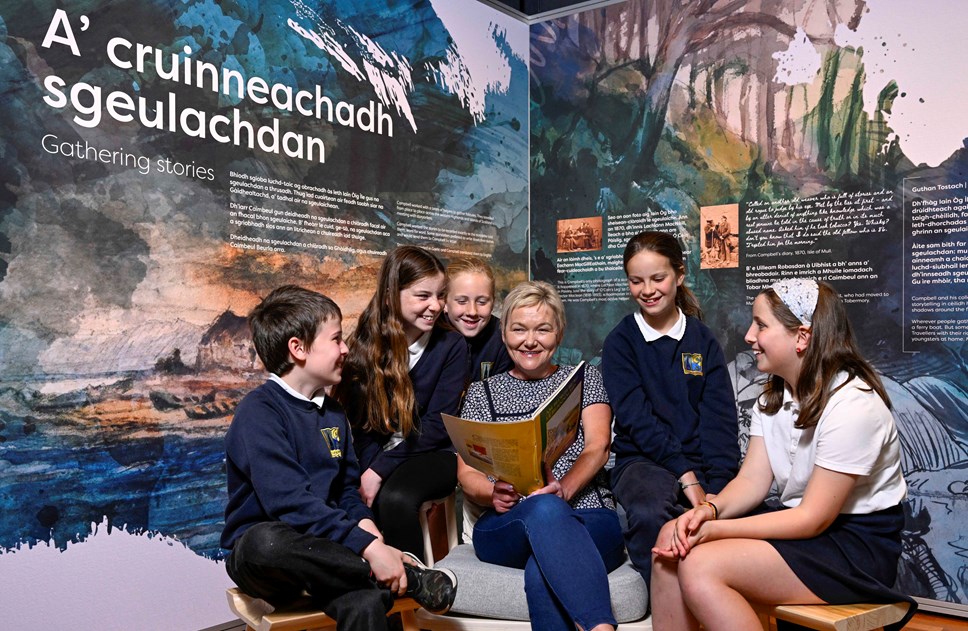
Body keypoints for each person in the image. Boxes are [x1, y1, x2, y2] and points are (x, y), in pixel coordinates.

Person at [650, 279, 915, 631]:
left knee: (701, 565)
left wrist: (716, 531)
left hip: (853, 547)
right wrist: (707, 512)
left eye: (760, 325)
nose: (748, 335)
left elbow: (812, 519)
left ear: (802, 337)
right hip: (803, 531)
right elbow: (751, 481)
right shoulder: (773, 397)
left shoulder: (852, 404)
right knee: (672, 537)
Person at [221, 285, 457, 631]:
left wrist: (370, 533)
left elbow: (347, 492)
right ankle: (404, 573)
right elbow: (290, 503)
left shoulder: (333, 413)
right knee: (263, 542)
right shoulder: (259, 411)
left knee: (365, 601)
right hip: (275, 561)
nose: (346, 349)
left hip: (330, 557)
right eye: (336, 339)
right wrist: (374, 552)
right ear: (297, 349)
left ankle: (372, 579)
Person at [458, 281, 625, 631]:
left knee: (544, 565)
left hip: (589, 516)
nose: (530, 341)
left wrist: (563, 488)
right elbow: (466, 474)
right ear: (504, 333)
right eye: (519, 329)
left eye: (542, 329)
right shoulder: (480, 393)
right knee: (544, 508)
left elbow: (598, 446)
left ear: (559, 333)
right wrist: (492, 493)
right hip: (507, 526)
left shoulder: (584, 379)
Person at [601, 231, 739, 590]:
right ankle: (664, 605)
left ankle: (708, 602)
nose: (647, 289)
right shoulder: (621, 342)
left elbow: (720, 422)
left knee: (736, 516)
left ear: (679, 275)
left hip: (700, 462)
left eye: (658, 278)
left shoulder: (703, 339)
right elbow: (637, 420)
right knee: (650, 512)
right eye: (636, 280)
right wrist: (685, 475)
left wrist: (717, 493)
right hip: (642, 460)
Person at [335, 246, 467, 557]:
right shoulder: (362, 348)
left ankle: (410, 588)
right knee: (352, 499)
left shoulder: (451, 345)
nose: (436, 306)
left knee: (395, 499)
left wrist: (378, 471)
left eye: (440, 295)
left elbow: (438, 424)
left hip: (434, 451)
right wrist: (366, 472)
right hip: (379, 455)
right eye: (424, 296)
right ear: (391, 296)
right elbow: (362, 427)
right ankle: (371, 585)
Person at [444, 256, 513, 384]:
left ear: (493, 303)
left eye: (482, 302)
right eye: (462, 301)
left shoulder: (502, 338)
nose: (472, 312)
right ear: (445, 303)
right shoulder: (430, 335)